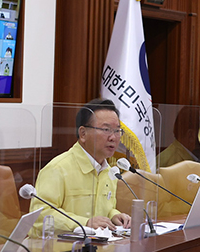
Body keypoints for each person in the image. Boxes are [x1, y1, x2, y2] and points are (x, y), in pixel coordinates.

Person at [29, 98, 131, 237]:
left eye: (117, 130)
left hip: (96, 247)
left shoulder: (109, 171)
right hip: (58, 250)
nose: (113, 137)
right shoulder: (57, 168)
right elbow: (41, 216)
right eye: (106, 129)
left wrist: (114, 215)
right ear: (83, 134)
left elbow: (103, 209)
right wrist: (85, 223)